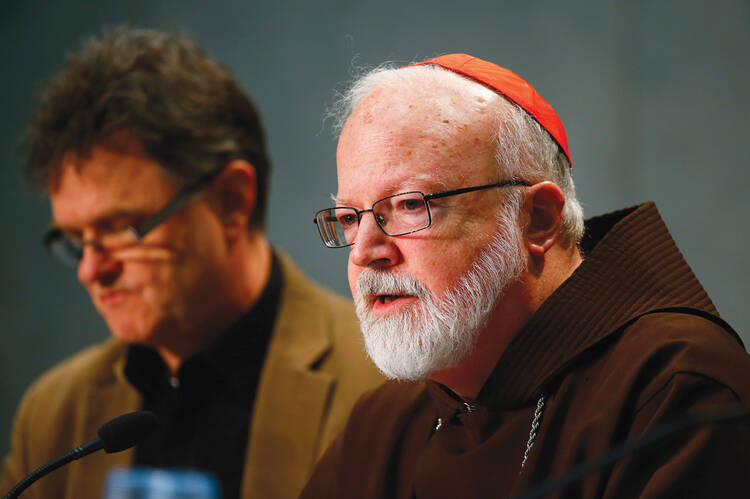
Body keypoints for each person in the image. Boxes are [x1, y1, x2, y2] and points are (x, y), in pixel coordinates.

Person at [303, 53, 750, 498]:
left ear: (536, 219)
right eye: (348, 218)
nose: (363, 252)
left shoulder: (675, 388)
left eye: (410, 205)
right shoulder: (383, 423)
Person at [0, 27, 383, 499]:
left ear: (231, 202)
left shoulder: (384, 394)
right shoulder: (53, 414)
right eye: (77, 240)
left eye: (122, 229)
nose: (90, 271)